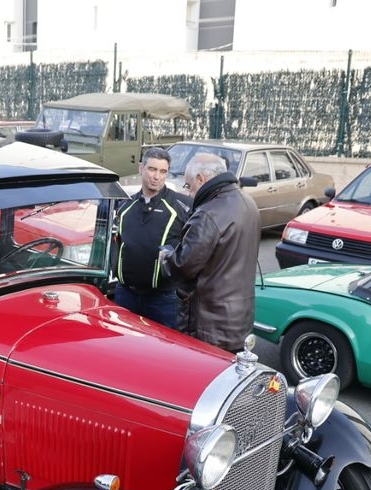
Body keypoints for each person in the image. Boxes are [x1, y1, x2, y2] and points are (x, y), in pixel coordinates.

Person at [159, 152, 260, 353]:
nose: (188, 193)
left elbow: (183, 266)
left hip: (209, 324)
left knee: (202, 379)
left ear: (201, 179)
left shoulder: (208, 213)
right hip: (239, 318)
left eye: (189, 186)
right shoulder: (248, 203)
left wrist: (166, 256)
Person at [111, 148, 190, 328]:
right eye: (152, 169)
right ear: (141, 169)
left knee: (163, 353)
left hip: (163, 300)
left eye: (163, 171)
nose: (157, 177)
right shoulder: (125, 204)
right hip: (126, 294)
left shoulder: (182, 206)